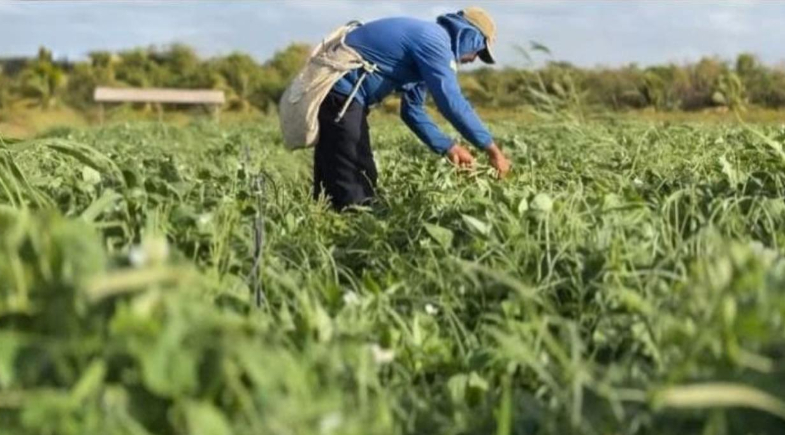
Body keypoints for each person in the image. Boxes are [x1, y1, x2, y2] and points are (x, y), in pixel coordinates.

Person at [313, 7, 512, 210]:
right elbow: (452, 102)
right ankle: (353, 227)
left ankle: (327, 219)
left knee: (335, 171)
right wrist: (493, 151)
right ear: (468, 37)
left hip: (340, 96)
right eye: (478, 51)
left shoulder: (427, 52)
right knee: (357, 178)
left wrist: (449, 147)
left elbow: (412, 111)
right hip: (341, 92)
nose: (473, 60)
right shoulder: (435, 41)